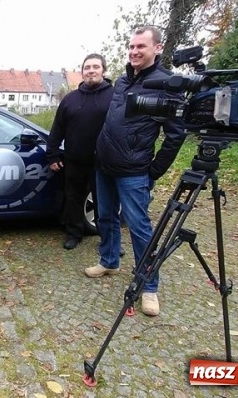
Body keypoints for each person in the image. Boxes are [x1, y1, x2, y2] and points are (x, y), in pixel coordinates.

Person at [84, 26, 187, 317]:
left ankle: (149, 286)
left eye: (141, 46)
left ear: (158, 48)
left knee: (140, 229)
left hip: (134, 172)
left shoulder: (168, 84)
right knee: (105, 216)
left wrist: (154, 170)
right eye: (131, 47)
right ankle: (109, 261)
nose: (134, 52)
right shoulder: (121, 80)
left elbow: (176, 134)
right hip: (104, 165)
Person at [45, 53, 113, 250]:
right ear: (82, 72)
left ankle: (108, 239)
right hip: (74, 160)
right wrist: (53, 154)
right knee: (73, 199)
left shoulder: (115, 96)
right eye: (87, 67)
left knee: (104, 202)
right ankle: (74, 233)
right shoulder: (70, 99)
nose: (91, 71)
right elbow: (57, 128)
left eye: (95, 67)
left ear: (103, 70)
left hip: (104, 162)